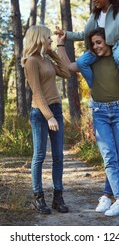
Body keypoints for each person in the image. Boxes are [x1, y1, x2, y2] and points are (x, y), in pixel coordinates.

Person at [56, 14, 119, 216]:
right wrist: (60, 43)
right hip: (100, 113)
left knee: (116, 159)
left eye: (99, 42)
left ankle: (106, 195)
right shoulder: (91, 61)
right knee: (109, 157)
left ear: (108, 40)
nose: (96, 47)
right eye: (93, 44)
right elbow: (69, 66)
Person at [21, 25, 71, 215]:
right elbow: (37, 92)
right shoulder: (31, 62)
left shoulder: (45, 59)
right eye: (48, 38)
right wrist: (48, 116)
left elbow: (66, 73)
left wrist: (53, 53)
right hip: (40, 113)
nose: (51, 40)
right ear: (39, 38)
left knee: (58, 155)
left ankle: (58, 198)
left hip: (56, 109)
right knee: (40, 155)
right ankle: (38, 197)